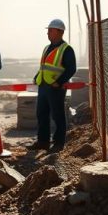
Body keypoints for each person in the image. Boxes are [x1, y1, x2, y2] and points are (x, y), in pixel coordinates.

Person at [29, 19, 76, 151]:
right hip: (43, 86)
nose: (48, 33)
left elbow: (71, 69)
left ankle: (58, 143)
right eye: (48, 30)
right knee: (41, 114)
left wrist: (59, 82)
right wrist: (37, 77)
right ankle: (43, 142)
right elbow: (44, 67)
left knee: (57, 115)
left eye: (50, 30)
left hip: (56, 88)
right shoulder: (47, 48)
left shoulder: (66, 49)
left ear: (59, 32)